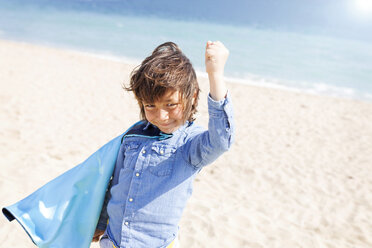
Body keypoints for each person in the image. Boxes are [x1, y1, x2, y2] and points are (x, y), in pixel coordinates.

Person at [92, 41, 234, 248]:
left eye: (171, 104)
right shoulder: (134, 136)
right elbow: (116, 183)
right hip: (113, 241)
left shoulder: (189, 144)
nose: (162, 115)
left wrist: (215, 74)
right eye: (151, 106)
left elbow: (221, 141)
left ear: (192, 96)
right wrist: (102, 221)